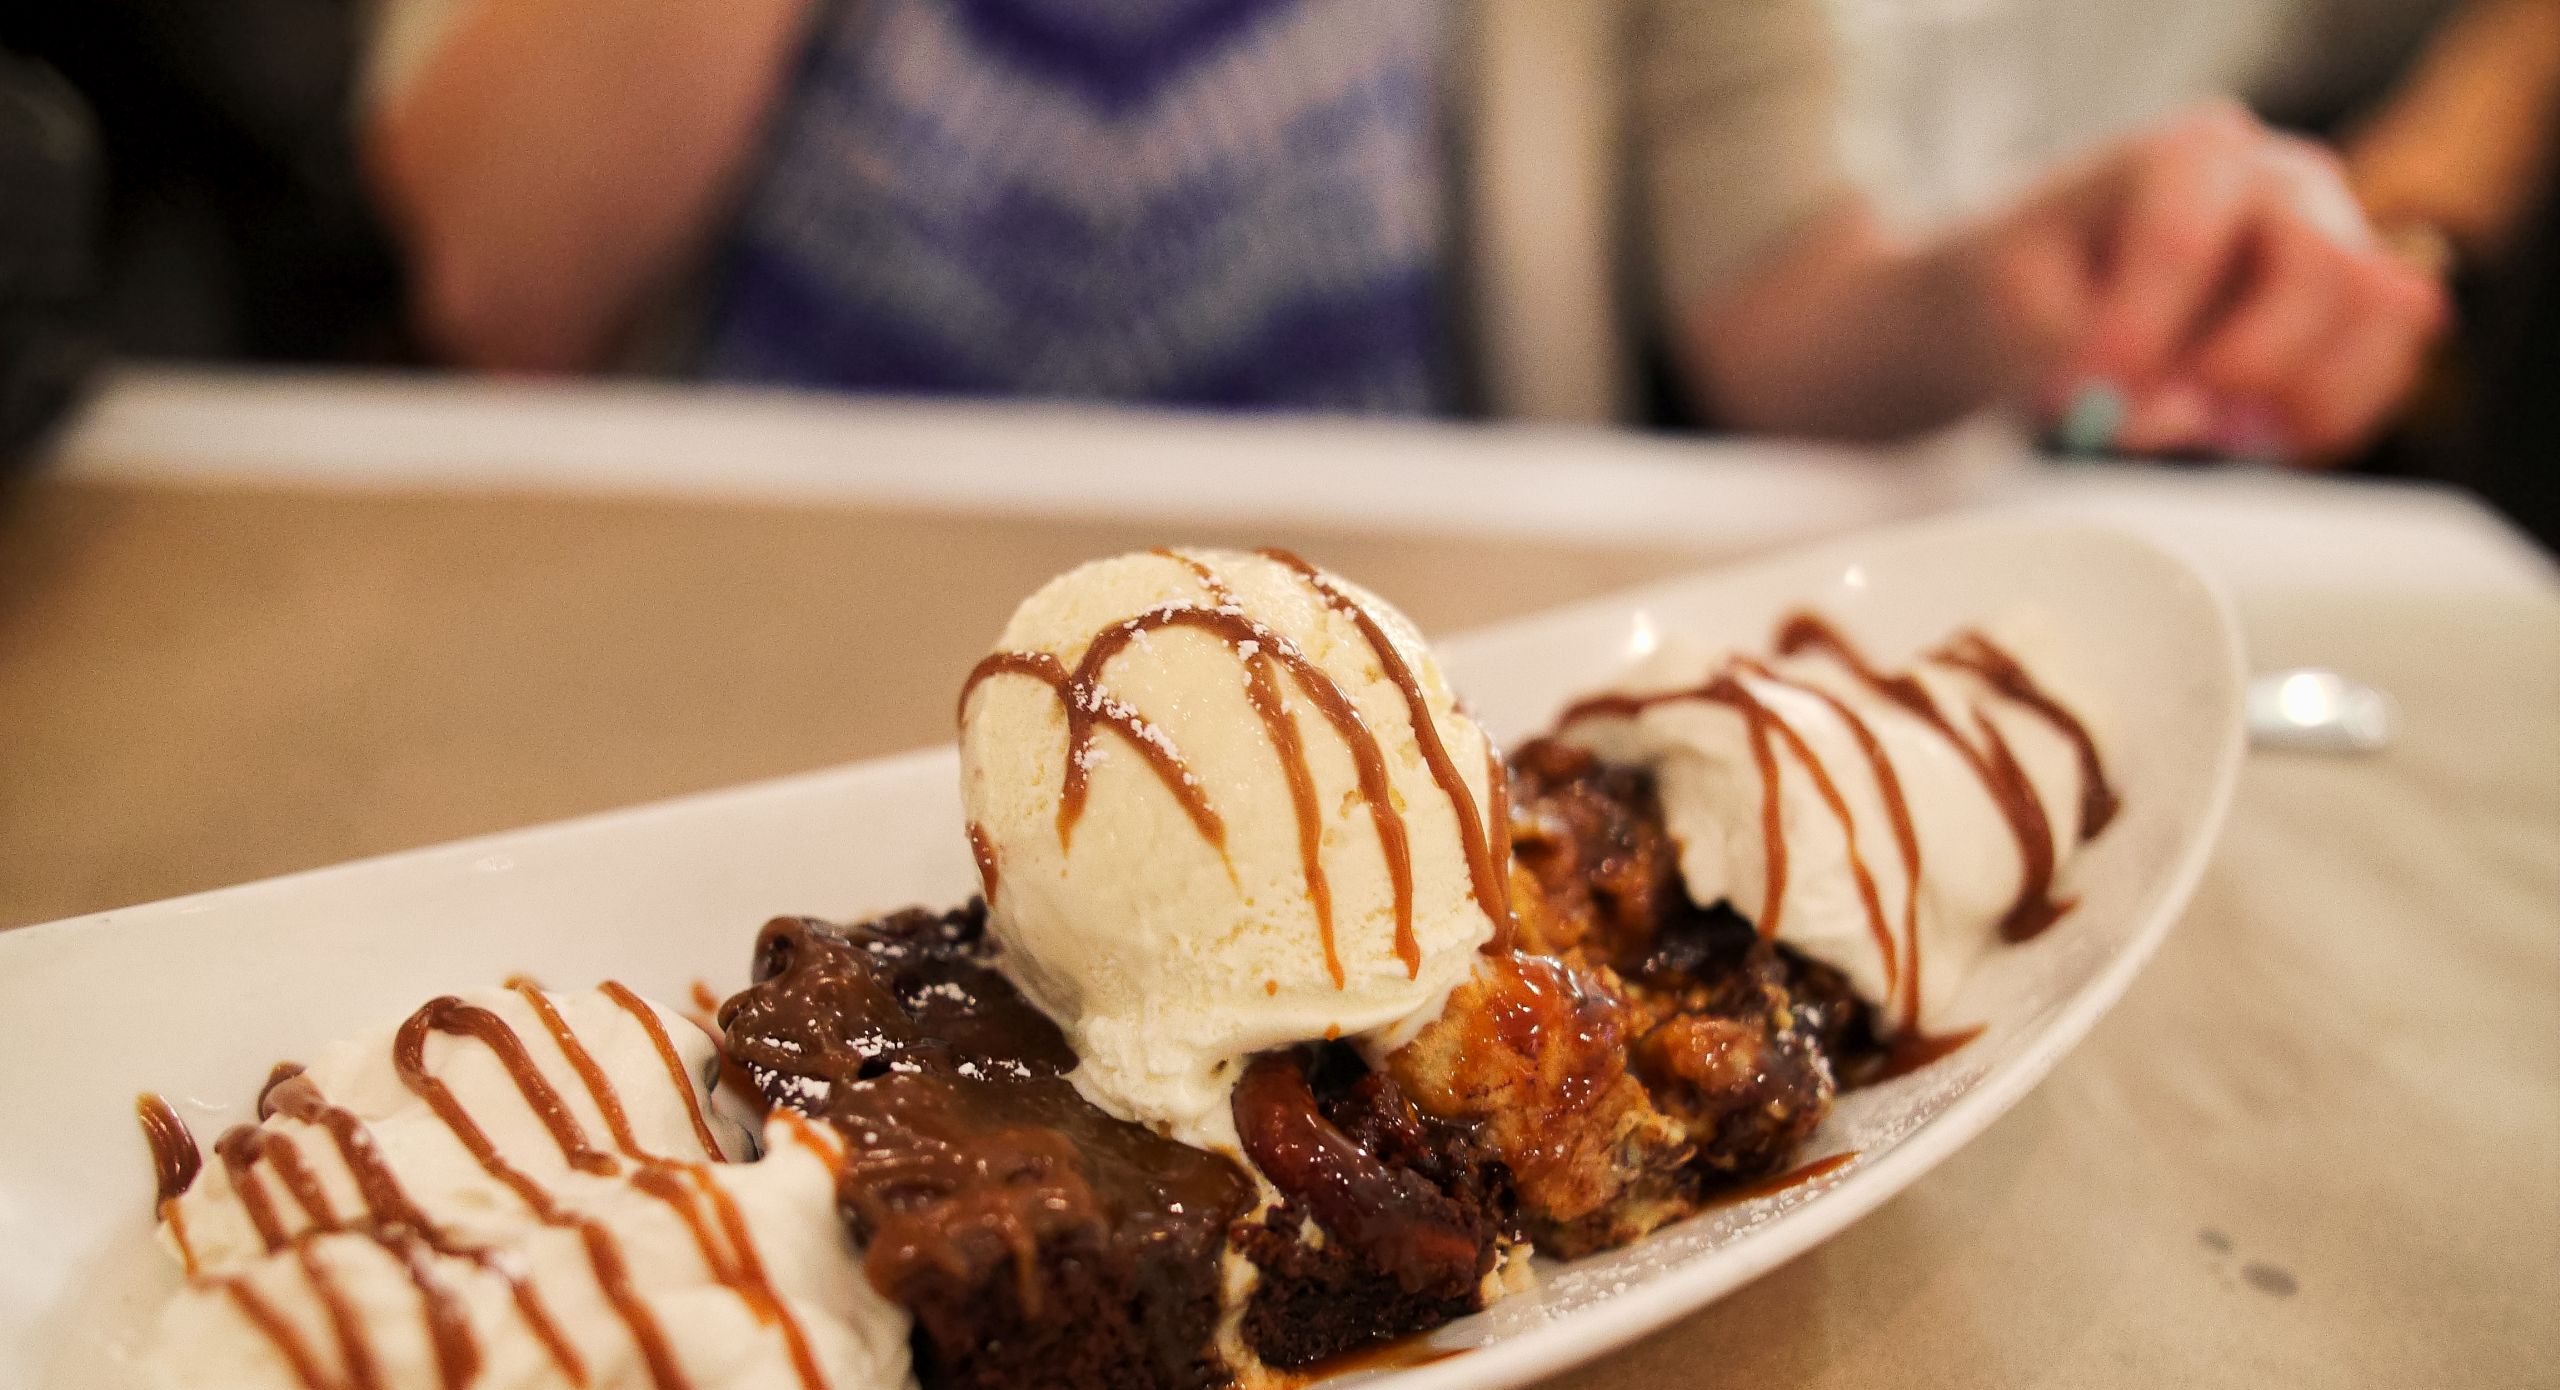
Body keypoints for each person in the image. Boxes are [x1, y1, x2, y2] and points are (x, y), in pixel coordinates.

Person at [364, 0, 2447, 465]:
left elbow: (1781, 308)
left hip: (1397, 677)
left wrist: (2026, 284)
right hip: (741, 649)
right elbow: (500, 280)